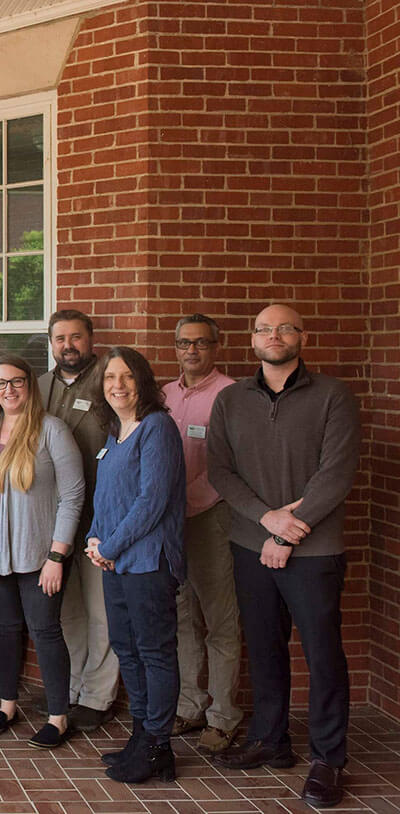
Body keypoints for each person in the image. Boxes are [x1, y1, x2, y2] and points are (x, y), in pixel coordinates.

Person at [207, 305, 360, 808]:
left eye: (285, 328)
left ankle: (327, 759)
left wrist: (288, 533)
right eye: (265, 329)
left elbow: (335, 474)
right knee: (265, 649)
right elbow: (221, 473)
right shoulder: (230, 400)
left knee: (322, 654)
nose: (275, 335)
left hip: (315, 550)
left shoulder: (333, 395)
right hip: (251, 545)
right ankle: (271, 741)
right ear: (252, 340)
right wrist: (267, 520)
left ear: (302, 336)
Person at [0, 354, 84, 748]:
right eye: (0, 383)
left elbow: (73, 495)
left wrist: (57, 556)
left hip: (39, 555)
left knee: (45, 631)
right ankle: (7, 704)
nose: (8, 390)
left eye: (16, 382)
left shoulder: (52, 430)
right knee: (5, 628)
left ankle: (58, 716)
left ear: (30, 385)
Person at [85, 347, 186, 784]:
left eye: (127, 376)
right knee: (127, 649)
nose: (117, 385)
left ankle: (159, 746)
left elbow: (152, 501)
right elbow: (106, 495)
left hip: (149, 562)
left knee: (155, 653)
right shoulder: (115, 431)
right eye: (110, 377)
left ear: (143, 381)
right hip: (115, 562)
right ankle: (141, 735)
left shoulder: (157, 428)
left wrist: (109, 544)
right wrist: (94, 536)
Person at [162, 314, 241, 755]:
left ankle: (224, 716)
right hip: (171, 524)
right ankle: (190, 705)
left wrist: (185, 501)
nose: (191, 351)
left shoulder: (230, 395)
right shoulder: (165, 395)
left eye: (200, 343)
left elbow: (230, 464)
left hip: (210, 518)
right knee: (183, 617)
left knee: (219, 620)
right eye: (183, 343)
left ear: (216, 346)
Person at [37, 310, 119, 731]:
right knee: (65, 609)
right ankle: (67, 686)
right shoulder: (39, 387)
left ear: (90, 339)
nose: (67, 345)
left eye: (76, 337)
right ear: (51, 343)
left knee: (100, 608)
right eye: (60, 339)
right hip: (53, 522)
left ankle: (97, 695)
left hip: (100, 517)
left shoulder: (110, 380)